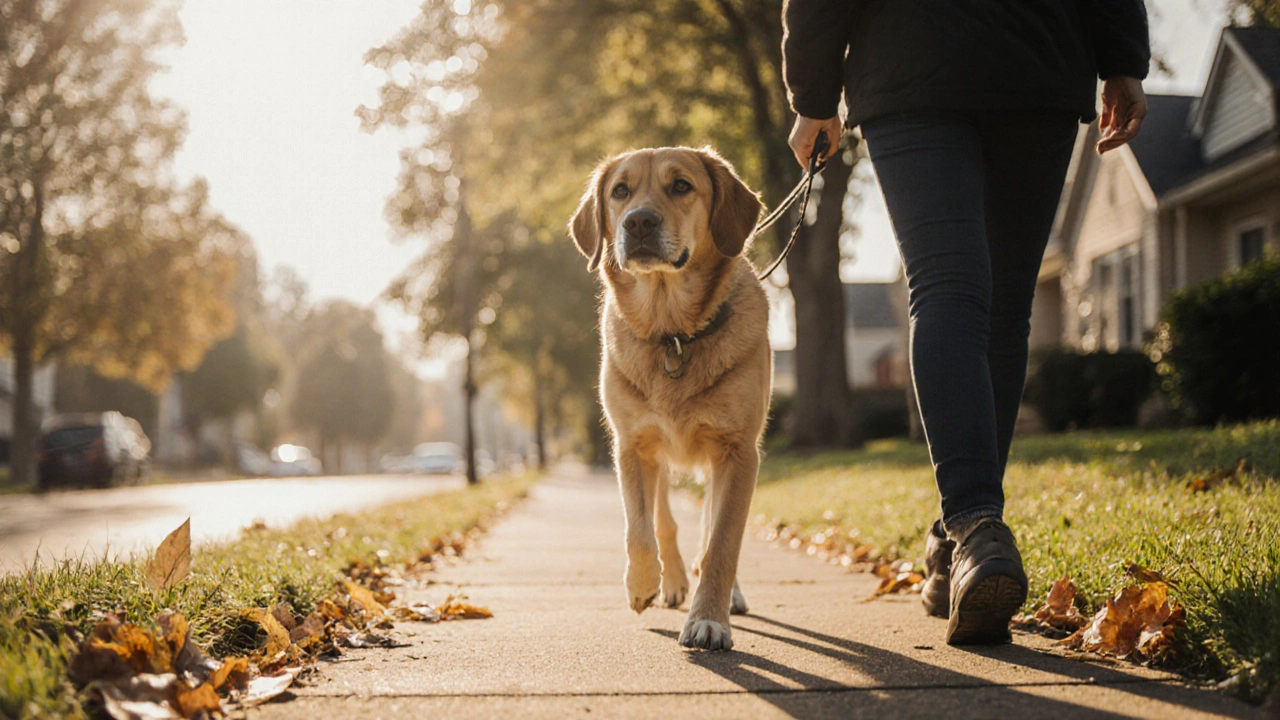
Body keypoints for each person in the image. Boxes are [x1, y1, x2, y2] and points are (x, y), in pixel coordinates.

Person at [781, 1, 1150, 645]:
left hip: (911, 57)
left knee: (948, 288)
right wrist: (1121, 59)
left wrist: (813, 92)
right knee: (1003, 311)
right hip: (1036, 56)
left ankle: (973, 528)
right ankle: (965, 540)